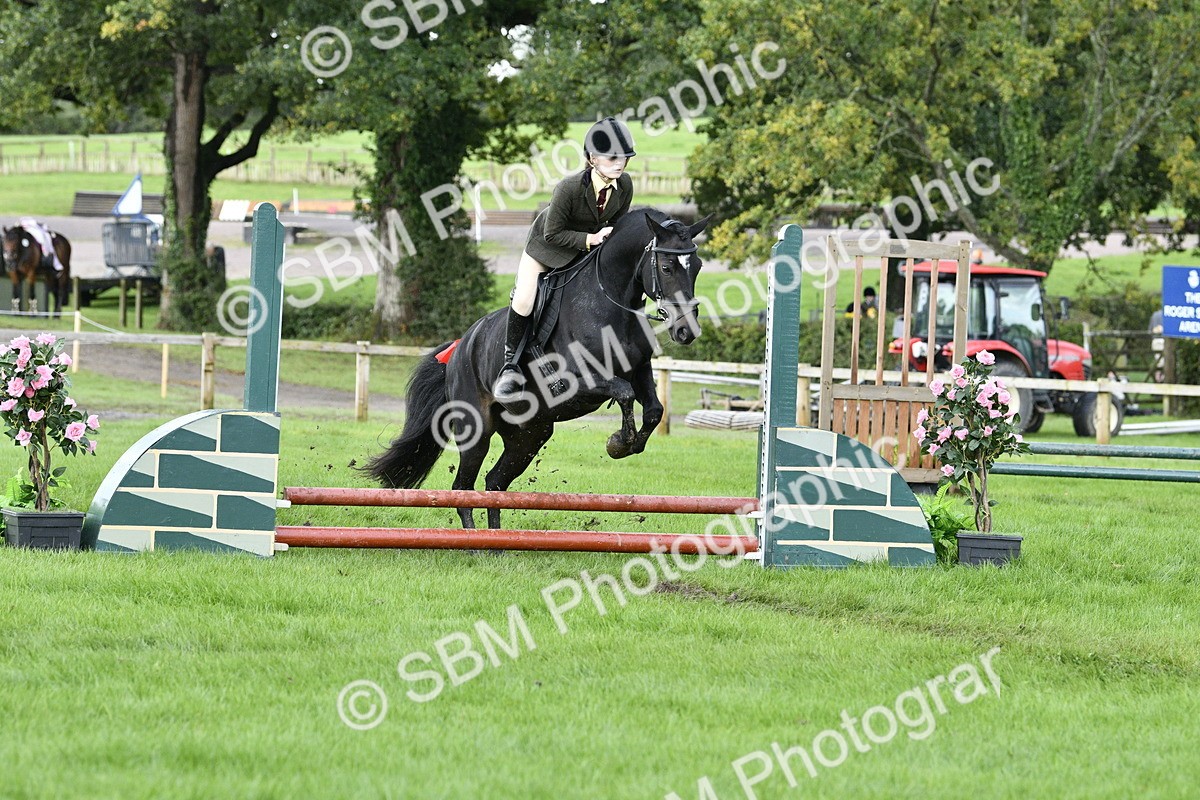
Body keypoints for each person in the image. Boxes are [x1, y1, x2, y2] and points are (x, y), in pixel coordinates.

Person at [495, 117, 636, 393]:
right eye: (612, 158)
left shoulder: (625, 186)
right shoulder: (569, 188)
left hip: (586, 251)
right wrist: (590, 239)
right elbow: (552, 233)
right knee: (524, 300)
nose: (619, 164)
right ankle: (510, 366)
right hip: (546, 248)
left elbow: (616, 226)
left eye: (624, 158)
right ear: (593, 158)